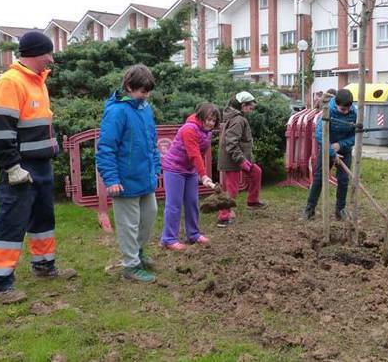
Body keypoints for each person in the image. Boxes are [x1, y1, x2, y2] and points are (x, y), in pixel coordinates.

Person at [0, 31, 76, 304]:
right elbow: (1, 132)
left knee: (42, 218)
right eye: (48, 53)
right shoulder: (10, 83)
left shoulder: (38, 82)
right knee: (12, 221)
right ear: (36, 53)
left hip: (41, 165)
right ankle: (1, 284)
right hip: (20, 168)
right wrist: (12, 167)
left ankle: (44, 265)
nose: (51, 58)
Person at [96, 64, 160, 283]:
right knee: (129, 224)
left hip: (145, 178)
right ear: (129, 87)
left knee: (149, 215)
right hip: (124, 181)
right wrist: (111, 179)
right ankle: (131, 266)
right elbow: (106, 147)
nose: (146, 95)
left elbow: (152, 142)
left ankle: (139, 253)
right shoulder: (117, 111)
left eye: (148, 91)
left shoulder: (145, 108)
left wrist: (156, 167)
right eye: (142, 91)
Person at [160, 103, 219, 250]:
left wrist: (200, 173)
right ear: (200, 116)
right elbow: (194, 154)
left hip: (190, 170)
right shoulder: (189, 129)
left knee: (192, 202)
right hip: (174, 168)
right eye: (208, 119)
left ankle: (193, 234)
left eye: (214, 120)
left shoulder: (207, 132)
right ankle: (168, 239)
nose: (210, 123)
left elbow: (201, 154)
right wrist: (204, 175)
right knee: (174, 205)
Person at [300, 89, 357, 221]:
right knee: (319, 177)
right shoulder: (328, 111)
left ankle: (340, 209)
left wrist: (341, 145)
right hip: (327, 148)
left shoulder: (354, 113)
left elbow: (356, 136)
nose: (346, 112)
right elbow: (320, 135)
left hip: (345, 149)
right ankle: (310, 209)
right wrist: (332, 152)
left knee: (343, 180)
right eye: (343, 109)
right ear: (336, 104)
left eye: (348, 109)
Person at [216, 92, 267, 227]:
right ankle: (224, 216)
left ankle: (252, 201)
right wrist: (241, 160)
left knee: (256, 172)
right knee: (232, 189)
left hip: (239, 158)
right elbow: (231, 143)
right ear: (243, 105)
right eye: (250, 108)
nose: (250, 111)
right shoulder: (238, 120)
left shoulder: (236, 117)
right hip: (232, 159)